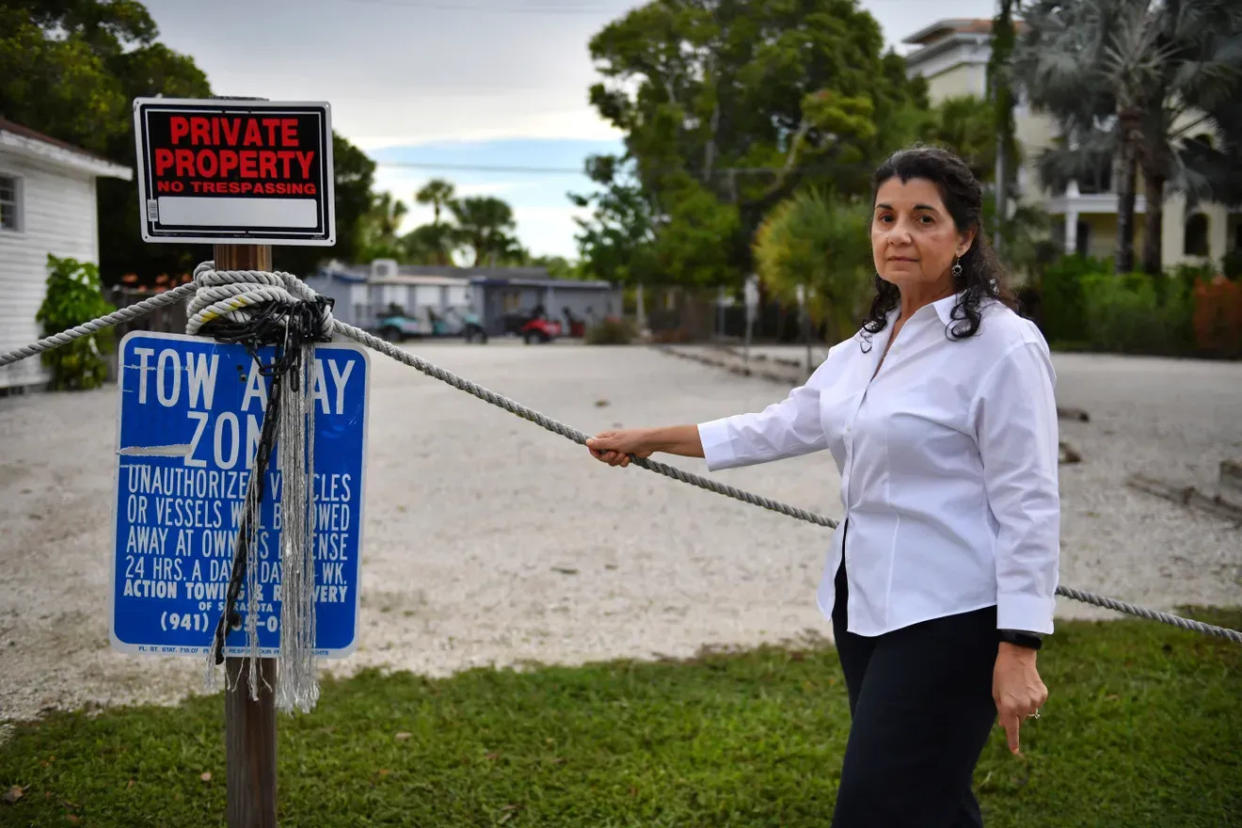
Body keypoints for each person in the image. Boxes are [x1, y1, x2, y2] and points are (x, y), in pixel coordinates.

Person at [585, 146, 1057, 827]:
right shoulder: (863, 347)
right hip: (860, 607)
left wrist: (1019, 646)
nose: (899, 234)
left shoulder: (1004, 347)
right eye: (885, 216)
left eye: (924, 218)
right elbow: (776, 426)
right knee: (932, 802)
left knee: (875, 807)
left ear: (965, 236)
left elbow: (1031, 500)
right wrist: (651, 437)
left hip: (950, 618)